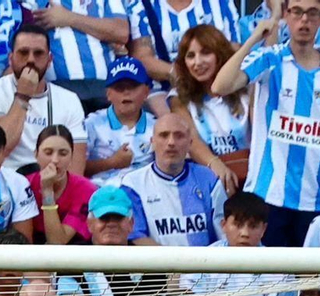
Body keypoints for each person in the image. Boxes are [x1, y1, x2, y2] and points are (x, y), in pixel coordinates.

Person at [210, 3, 320, 247]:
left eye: (311, 13)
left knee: (308, 282)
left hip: (314, 199)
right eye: (297, 11)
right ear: (286, 15)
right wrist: (253, 39)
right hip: (268, 195)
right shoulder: (270, 59)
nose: (304, 20)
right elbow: (219, 86)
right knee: (269, 279)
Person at [0, 28, 87, 173]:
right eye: (23, 53)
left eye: (38, 53)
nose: (31, 60)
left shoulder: (69, 99)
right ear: (11, 58)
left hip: (53, 182)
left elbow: (76, 167)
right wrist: (22, 96)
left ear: (50, 60)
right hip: (6, 181)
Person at [119, 112, 226, 247]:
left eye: (179, 136)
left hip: (206, 265)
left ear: (190, 143)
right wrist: (173, 265)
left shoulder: (208, 179)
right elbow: (137, 236)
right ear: (152, 142)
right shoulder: (133, 183)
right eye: (164, 135)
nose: (171, 142)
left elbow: (223, 234)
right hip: (158, 266)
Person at [165, 23, 249, 183]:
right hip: (208, 178)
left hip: (250, 176)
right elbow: (191, 139)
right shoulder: (179, 98)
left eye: (205, 53)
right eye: (190, 56)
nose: (197, 62)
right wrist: (216, 165)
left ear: (220, 55)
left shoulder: (247, 89)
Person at [84, 56, 154, 185]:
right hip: (102, 194)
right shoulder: (92, 124)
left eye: (133, 86)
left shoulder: (156, 126)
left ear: (146, 92)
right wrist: (112, 163)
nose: (126, 92)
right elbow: (75, 167)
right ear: (108, 93)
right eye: (119, 87)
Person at [29, 125, 97, 244]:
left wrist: (47, 190)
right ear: (36, 155)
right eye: (48, 152)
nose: (55, 160)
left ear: (71, 157)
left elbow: (57, 242)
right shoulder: (23, 185)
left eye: (63, 153)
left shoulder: (86, 189)